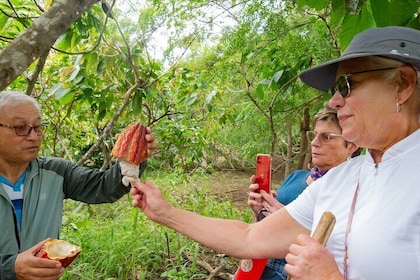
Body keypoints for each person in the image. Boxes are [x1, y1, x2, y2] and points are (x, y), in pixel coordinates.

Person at [131, 26, 420, 279]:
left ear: (402, 85)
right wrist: (165, 213)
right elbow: (249, 237)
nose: (334, 101)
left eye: (347, 85)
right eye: (334, 89)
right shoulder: (341, 179)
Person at [0, 91, 157, 280]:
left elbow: (103, 187)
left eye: (38, 127)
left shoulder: (56, 171)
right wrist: (11, 268)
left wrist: (131, 159)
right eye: (20, 127)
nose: (34, 136)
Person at [248, 104, 360, 280]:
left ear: (351, 146)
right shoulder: (296, 177)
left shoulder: (353, 193)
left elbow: (344, 248)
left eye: (326, 137)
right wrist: (259, 211)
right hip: (258, 269)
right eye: (314, 135)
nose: (315, 143)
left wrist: (286, 226)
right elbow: (257, 231)